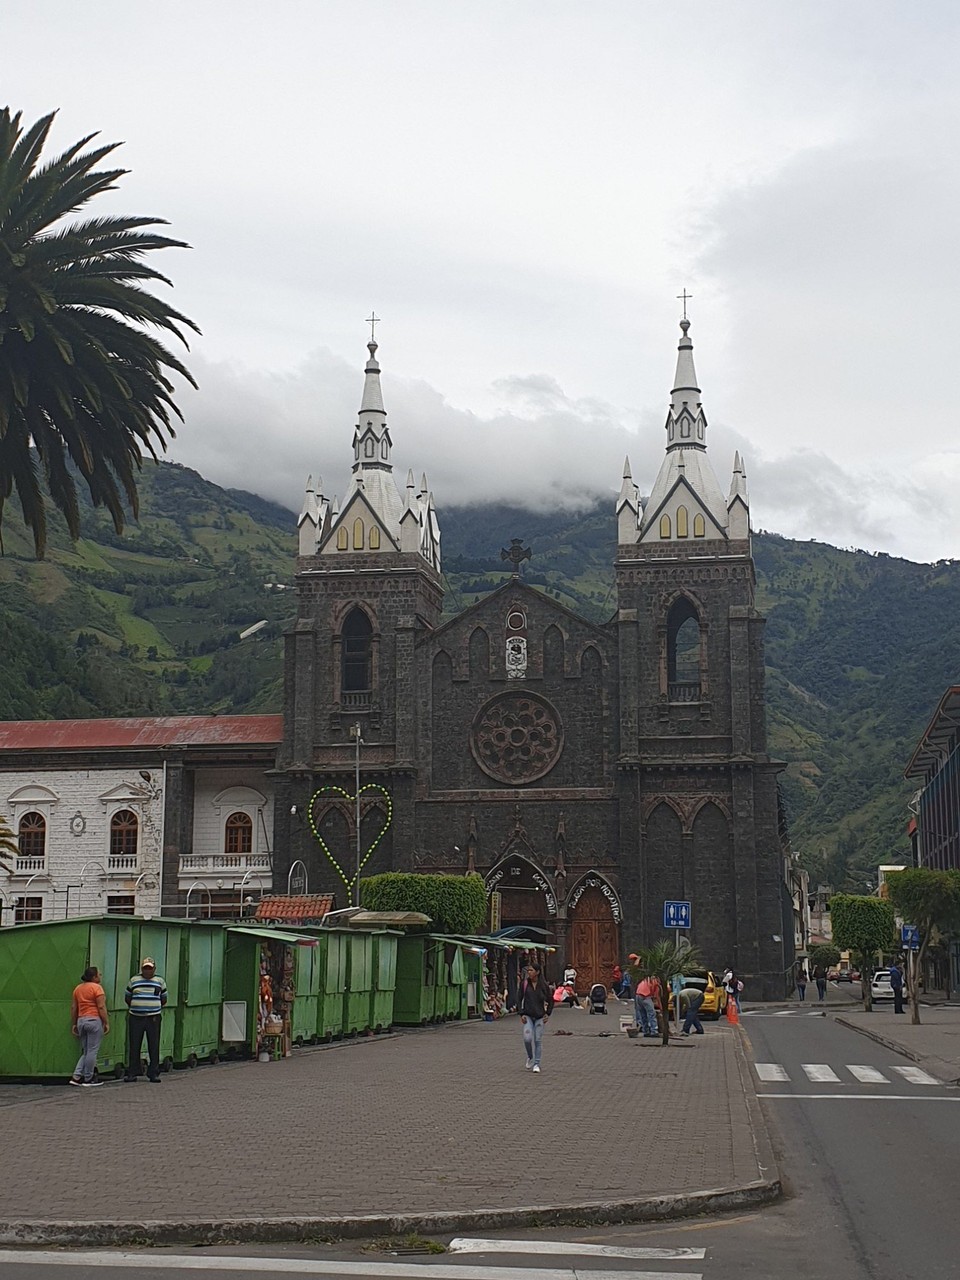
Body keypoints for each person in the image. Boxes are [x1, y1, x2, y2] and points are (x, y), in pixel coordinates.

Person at [124, 956, 167, 1083]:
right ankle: (132, 1072)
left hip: (153, 1017)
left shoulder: (160, 981)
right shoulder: (134, 980)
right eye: (145, 968)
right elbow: (128, 997)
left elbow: (164, 999)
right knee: (134, 1044)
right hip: (136, 1017)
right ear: (142, 969)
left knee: (153, 1045)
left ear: (154, 969)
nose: (147, 971)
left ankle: (153, 1073)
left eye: (150, 968)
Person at [69, 965, 109, 1087]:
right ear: (94, 977)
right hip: (94, 1020)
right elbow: (101, 1007)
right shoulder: (97, 988)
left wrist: (74, 1023)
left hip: (81, 1020)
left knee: (86, 1051)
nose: (100, 976)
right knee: (92, 1051)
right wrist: (106, 1022)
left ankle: (76, 1076)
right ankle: (88, 1078)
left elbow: (73, 1007)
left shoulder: (78, 989)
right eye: (99, 974)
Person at [518, 961, 552, 1073]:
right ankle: (530, 1056)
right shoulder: (524, 984)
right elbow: (519, 999)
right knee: (527, 1039)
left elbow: (550, 1000)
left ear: (537, 972)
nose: (529, 972)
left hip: (539, 1016)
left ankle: (536, 1064)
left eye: (531, 970)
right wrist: (521, 1013)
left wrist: (548, 1013)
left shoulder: (544, 986)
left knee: (537, 1039)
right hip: (528, 1015)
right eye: (528, 970)